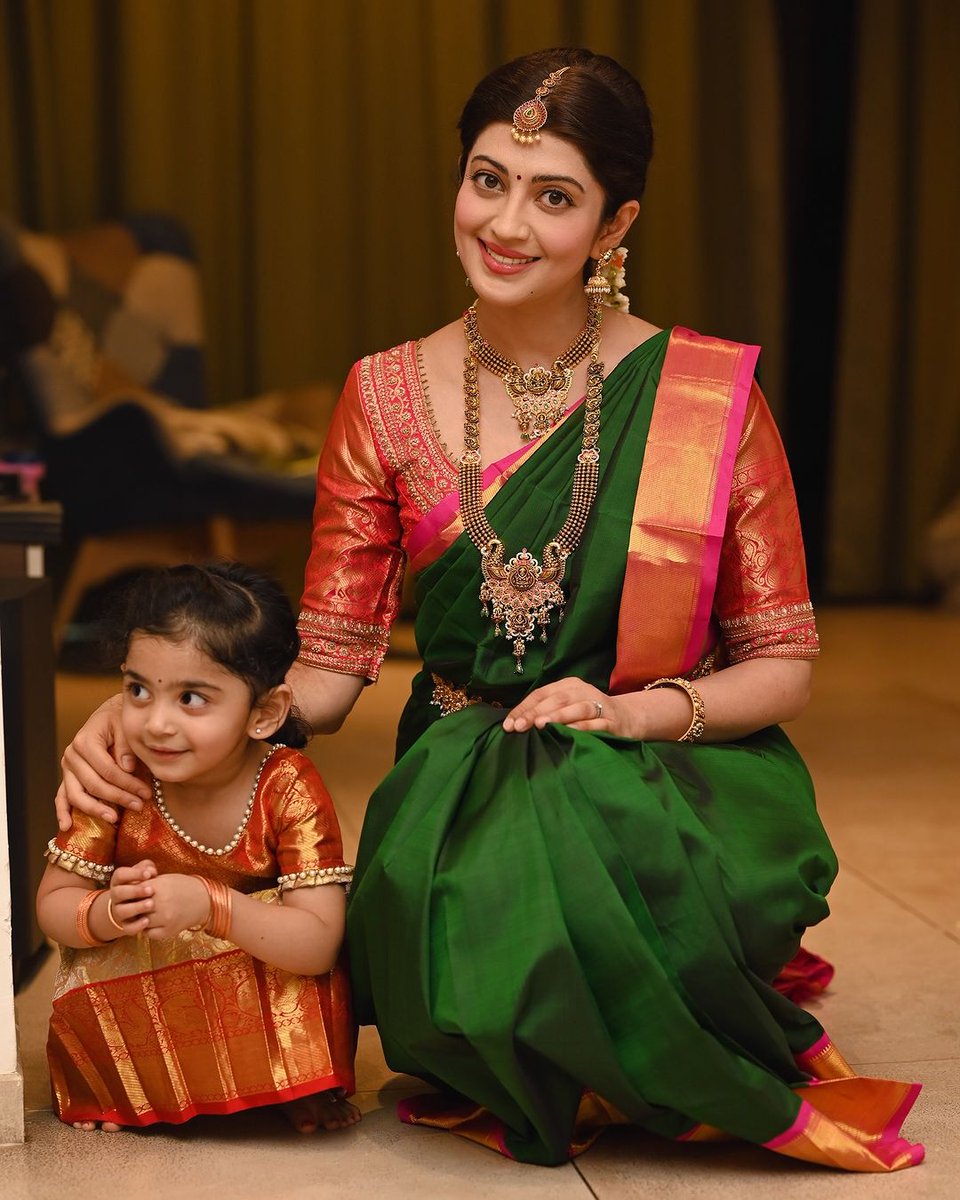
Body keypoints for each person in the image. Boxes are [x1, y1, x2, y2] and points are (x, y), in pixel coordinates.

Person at [56, 49, 922, 1170]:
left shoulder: (707, 397)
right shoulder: (381, 395)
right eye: (487, 179)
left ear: (615, 225)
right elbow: (324, 664)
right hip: (465, 770)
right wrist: (147, 717)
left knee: (583, 822)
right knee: (495, 850)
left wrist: (628, 716)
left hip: (666, 763)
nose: (507, 223)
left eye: (554, 196)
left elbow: (780, 663)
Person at [38, 563, 358, 1133]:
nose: (156, 723)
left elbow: (318, 945)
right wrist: (108, 913)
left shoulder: (286, 784)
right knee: (95, 967)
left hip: (252, 971)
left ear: (264, 713)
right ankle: (136, 1092)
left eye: (191, 698)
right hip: (147, 979)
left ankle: (283, 1085)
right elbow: (53, 907)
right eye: (137, 689)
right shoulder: (118, 774)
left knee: (289, 939)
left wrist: (213, 906)